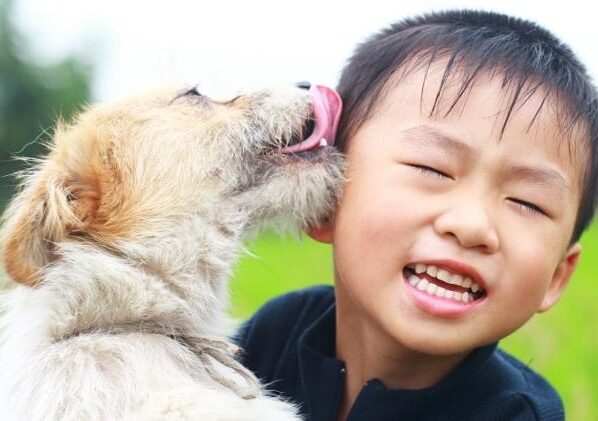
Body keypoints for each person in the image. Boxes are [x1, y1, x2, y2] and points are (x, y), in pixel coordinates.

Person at [235, 10, 598, 421]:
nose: (471, 225)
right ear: (325, 198)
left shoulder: (514, 414)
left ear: (556, 277)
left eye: (527, 202)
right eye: (432, 169)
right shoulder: (277, 334)